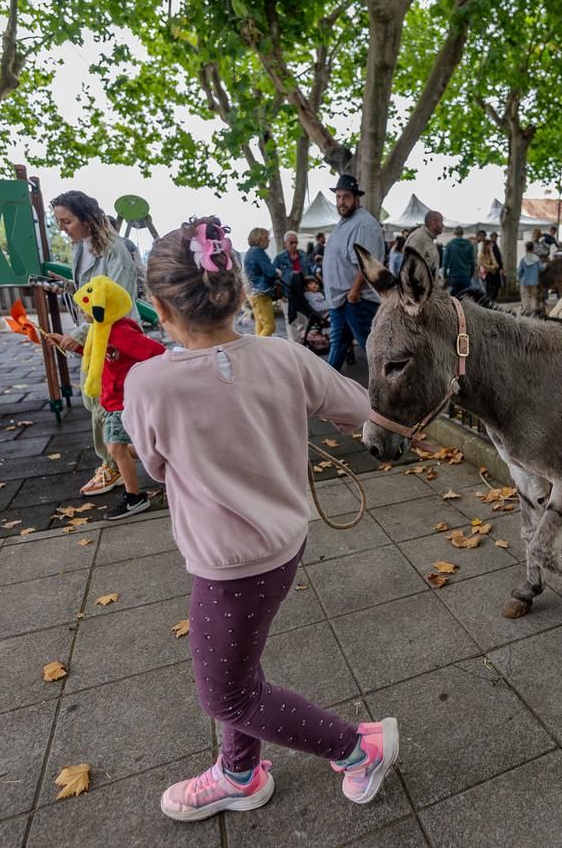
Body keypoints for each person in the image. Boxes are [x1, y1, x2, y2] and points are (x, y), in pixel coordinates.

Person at [123, 216, 399, 821]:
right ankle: (240, 771)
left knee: (224, 691)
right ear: (240, 294)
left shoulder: (148, 384)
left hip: (228, 562)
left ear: (161, 309)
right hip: (283, 543)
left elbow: (154, 465)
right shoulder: (284, 357)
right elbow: (364, 410)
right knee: (239, 662)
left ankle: (357, 748)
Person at [44, 190, 139, 497]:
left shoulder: (114, 249)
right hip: (96, 334)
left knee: (103, 399)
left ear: (86, 218)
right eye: (59, 221)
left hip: (115, 335)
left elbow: (118, 302)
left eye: (67, 221)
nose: (62, 227)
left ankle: (113, 465)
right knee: (97, 398)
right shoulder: (80, 247)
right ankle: (127, 453)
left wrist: (81, 335)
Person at [56, 276, 165, 519]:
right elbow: (97, 354)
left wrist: (140, 379)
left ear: (100, 307)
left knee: (116, 448)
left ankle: (135, 497)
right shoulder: (102, 330)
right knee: (119, 446)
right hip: (111, 398)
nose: (83, 313)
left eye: (85, 308)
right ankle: (164, 454)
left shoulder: (119, 332)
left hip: (121, 399)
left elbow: (156, 352)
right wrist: (73, 347)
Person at [322, 174, 383, 371]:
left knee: (374, 352)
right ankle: (325, 391)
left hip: (356, 302)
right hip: (342, 301)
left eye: (346, 196)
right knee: (338, 347)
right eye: (338, 197)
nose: (341, 202)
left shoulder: (364, 224)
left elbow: (368, 263)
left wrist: (354, 294)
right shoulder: (346, 222)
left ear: (356, 198)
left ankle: (392, 393)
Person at [274, 229, 317, 336]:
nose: (294, 245)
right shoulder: (279, 258)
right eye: (291, 242)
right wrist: (280, 294)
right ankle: (294, 345)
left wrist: (313, 287)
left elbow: (310, 273)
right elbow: (273, 278)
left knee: (305, 318)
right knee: (291, 320)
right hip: (287, 294)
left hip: (303, 294)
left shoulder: (303, 255)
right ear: (285, 243)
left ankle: (302, 341)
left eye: (296, 242)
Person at [243, 228, 283, 337]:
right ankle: (259, 349)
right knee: (269, 326)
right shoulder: (258, 251)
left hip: (252, 292)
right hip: (261, 292)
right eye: (266, 238)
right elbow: (270, 272)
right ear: (258, 239)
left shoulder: (250, 252)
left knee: (260, 324)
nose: (268, 241)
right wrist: (277, 272)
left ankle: (257, 348)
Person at [405, 210, 443, 277]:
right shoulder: (419, 238)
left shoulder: (428, 239)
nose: (443, 225)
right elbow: (411, 272)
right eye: (441, 222)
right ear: (433, 223)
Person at [442, 225, 476, 296]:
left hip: (454, 275)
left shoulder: (450, 245)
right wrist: (471, 273)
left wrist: (445, 274)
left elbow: (445, 261)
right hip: (466, 274)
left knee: (455, 299)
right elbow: (472, 261)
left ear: (454, 233)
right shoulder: (469, 244)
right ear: (462, 233)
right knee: (466, 298)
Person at [518, 240, 544, 314]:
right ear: (533, 249)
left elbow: (519, 271)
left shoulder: (523, 259)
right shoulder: (536, 259)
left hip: (524, 281)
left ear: (526, 249)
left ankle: (526, 312)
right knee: (533, 297)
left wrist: (520, 278)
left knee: (525, 297)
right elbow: (541, 268)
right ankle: (533, 312)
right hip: (534, 281)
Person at [479, 231, 503, 300]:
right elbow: (484, 264)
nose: (489, 246)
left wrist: (495, 267)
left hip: (493, 272)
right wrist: (492, 267)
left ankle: (492, 300)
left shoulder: (491, 251)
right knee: (487, 289)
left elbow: (495, 262)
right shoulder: (481, 254)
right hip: (486, 273)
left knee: (495, 287)